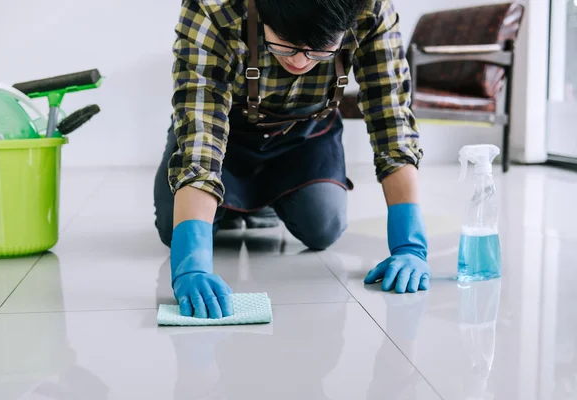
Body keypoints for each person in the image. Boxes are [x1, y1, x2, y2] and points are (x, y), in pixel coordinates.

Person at [153, 0, 431, 319]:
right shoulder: (213, 8)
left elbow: (391, 121)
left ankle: (260, 204)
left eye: (320, 49)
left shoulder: (371, 8)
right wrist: (192, 266)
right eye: (285, 45)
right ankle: (228, 205)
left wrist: (409, 245)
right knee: (171, 229)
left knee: (322, 228)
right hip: (225, 135)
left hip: (305, 134)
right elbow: (200, 132)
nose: (300, 60)